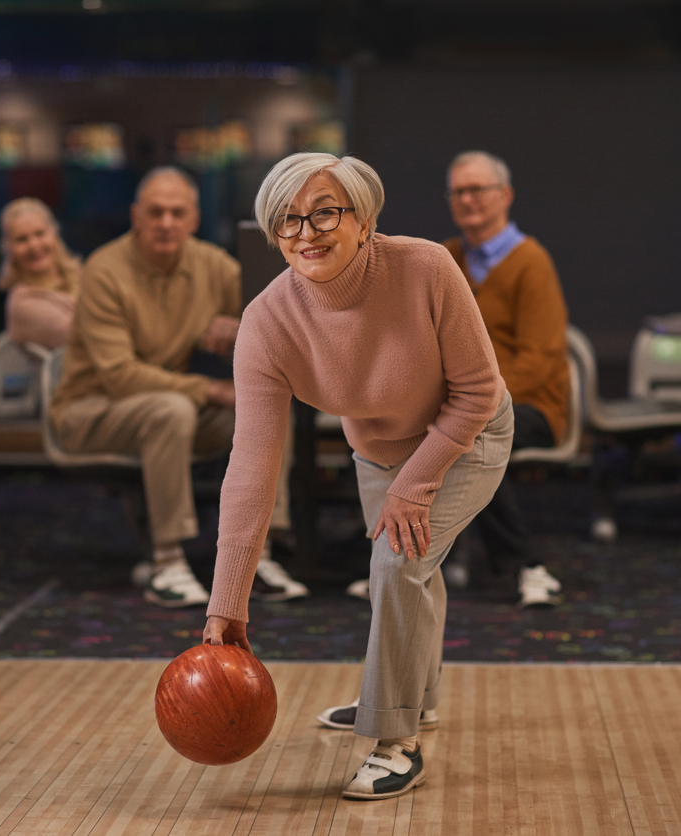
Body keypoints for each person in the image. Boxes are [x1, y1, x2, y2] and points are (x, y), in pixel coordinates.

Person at [202, 153, 511, 801]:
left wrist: (417, 482)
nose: (305, 233)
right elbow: (251, 469)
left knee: (397, 563)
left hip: (469, 434)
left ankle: (394, 739)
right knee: (408, 567)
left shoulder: (425, 266)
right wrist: (226, 602)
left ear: (364, 220)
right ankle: (411, 699)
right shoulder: (267, 322)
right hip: (377, 449)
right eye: (287, 221)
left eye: (323, 213)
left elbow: (479, 390)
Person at [49, 166, 306, 608]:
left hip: (171, 408)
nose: (166, 222)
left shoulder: (212, 265)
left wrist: (242, 327)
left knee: (265, 409)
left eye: (176, 213)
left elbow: (280, 322)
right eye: (155, 212)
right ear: (136, 217)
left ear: (193, 219)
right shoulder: (104, 270)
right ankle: (166, 562)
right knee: (171, 409)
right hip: (90, 410)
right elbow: (120, 376)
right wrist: (210, 390)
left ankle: (257, 557)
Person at [441, 151, 568, 608]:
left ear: (505, 196)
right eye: (458, 191)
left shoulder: (531, 262)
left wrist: (472, 399)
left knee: (468, 441)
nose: (466, 200)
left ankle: (525, 564)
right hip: (460, 402)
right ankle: (396, 565)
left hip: (534, 405)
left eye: (477, 189)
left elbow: (539, 360)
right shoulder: (446, 258)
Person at [0, 197, 81, 350]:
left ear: (54, 233)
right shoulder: (23, 304)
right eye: (22, 239)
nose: (34, 245)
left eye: (40, 234)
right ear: (9, 248)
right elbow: (86, 336)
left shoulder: (82, 274)